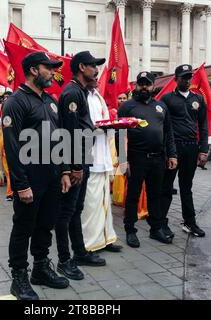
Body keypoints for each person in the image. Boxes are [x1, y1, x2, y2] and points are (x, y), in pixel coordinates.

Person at [2, 52, 69, 300]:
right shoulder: (16, 102)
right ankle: (19, 275)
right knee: (23, 227)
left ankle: (40, 268)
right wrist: (20, 185)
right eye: (48, 68)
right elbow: (12, 147)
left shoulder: (50, 101)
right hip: (30, 178)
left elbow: (58, 137)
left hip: (51, 176)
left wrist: (62, 171)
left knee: (45, 224)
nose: (52, 72)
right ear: (33, 70)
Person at [56, 51, 107, 282]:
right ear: (81, 67)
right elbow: (71, 133)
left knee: (76, 209)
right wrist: (74, 167)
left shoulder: (80, 91)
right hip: (76, 161)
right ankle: (64, 260)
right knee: (66, 212)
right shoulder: (72, 93)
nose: (97, 70)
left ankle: (80, 252)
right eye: (93, 66)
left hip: (83, 159)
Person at [118, 72, 177, 246]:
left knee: (155, 195)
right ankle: (130, 230)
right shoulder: (127, 107)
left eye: (147, 84)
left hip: (158, 158)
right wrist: (123, 159)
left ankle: (155, 229)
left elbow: (168, 132)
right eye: (141, 83)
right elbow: (119, 134)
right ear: (136, 85)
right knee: (133, 195)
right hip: (136, 158)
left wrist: (172, 154)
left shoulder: (161, 107)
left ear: (153, 86)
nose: (144, 87)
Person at [160, 64, 208, 238]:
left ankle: (190, 222)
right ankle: (160, 222)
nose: (187, 81)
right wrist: (166, 150)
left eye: (190, 77)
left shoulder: (198, 99)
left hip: (191, 147)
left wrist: (203, 149)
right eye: (184, 78)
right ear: (176, 79)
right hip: (172, 148)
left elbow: (203, 125)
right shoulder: (166, 99)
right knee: (166, 186)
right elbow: (162, 125)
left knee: (186, 187)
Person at [80, 76, 122, 253]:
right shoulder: (80, 96)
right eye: (93, 75)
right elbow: (79, 127)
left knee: (104, 200)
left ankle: (106, 238)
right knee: (91, 204)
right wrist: (100, 128)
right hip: (90, 157)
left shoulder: (97, 96)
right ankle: (90, 243)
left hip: (103, 155)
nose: (97, 78)